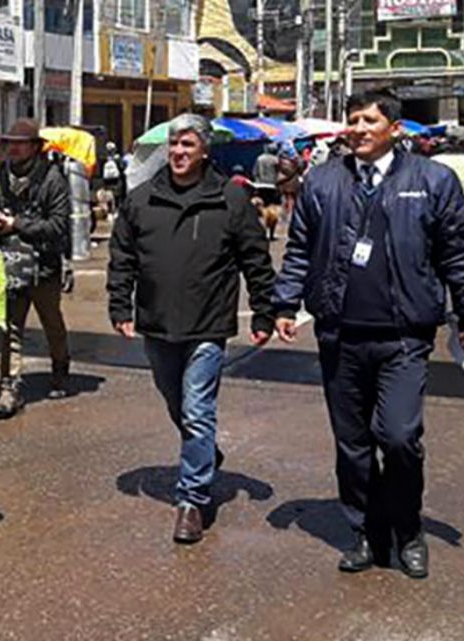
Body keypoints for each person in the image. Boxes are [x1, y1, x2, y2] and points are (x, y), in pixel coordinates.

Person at [273, 91, 464, 579]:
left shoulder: (432, 181)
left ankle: (407, 530)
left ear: (395, 128)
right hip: (339, 335)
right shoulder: (323, 182)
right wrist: (285, 303)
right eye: (352, 120)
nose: (359, 128)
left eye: (369, 120)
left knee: (398, 437)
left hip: (404, 337)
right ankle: (366, 532)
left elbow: (458, 253)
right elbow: (301, 248)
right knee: (351, 443)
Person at [107, 114, 276, 544]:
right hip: (157, 321)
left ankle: (192, 501)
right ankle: (205, 455)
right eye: (174, 145)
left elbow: (255, 259)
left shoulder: (230, 200)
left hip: (208, 323)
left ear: (204, 150)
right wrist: (118, 303)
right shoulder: (142, 199)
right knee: (176, 402)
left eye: (187, 145)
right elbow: (122, 255)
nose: (179, 152)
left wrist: (263, 312)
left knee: (198, 410)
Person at [0, 118, 72, 419]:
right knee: (10, 329)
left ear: (34, 147)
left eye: (19, 143)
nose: (13, 148)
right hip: (10, 266)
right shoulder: (0, 173)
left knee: (51, 323)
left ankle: (60, 369)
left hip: (44, 266)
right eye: (9, 143)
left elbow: (57, 226)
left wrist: (17, 224)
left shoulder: (53, 179)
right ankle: (10, 389)